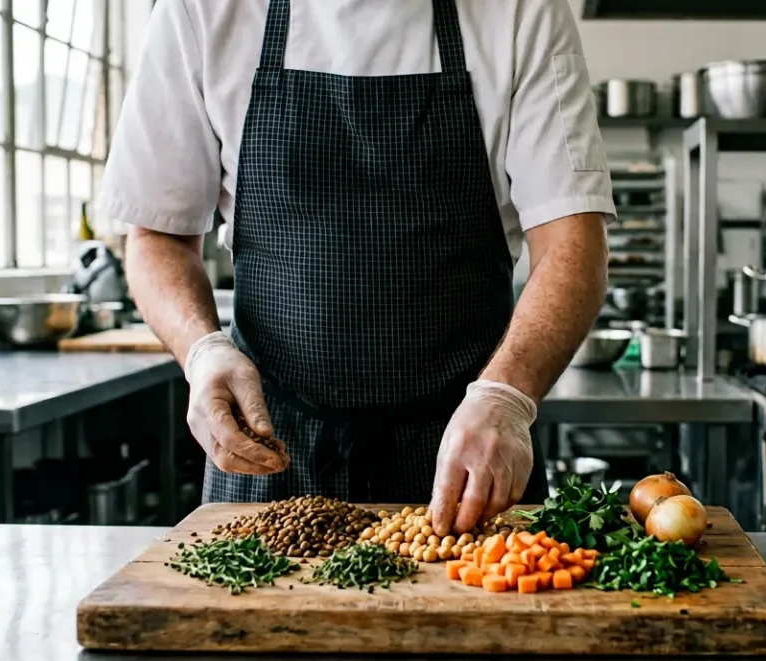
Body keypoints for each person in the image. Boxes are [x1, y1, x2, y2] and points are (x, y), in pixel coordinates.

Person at [99, 0, 613, 535]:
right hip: (270, 445)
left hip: (469, 452)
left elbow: (572, 244)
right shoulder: (202, 10)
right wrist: (201, 351)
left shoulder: (521, 11)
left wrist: (507, 397)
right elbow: (157, 233)